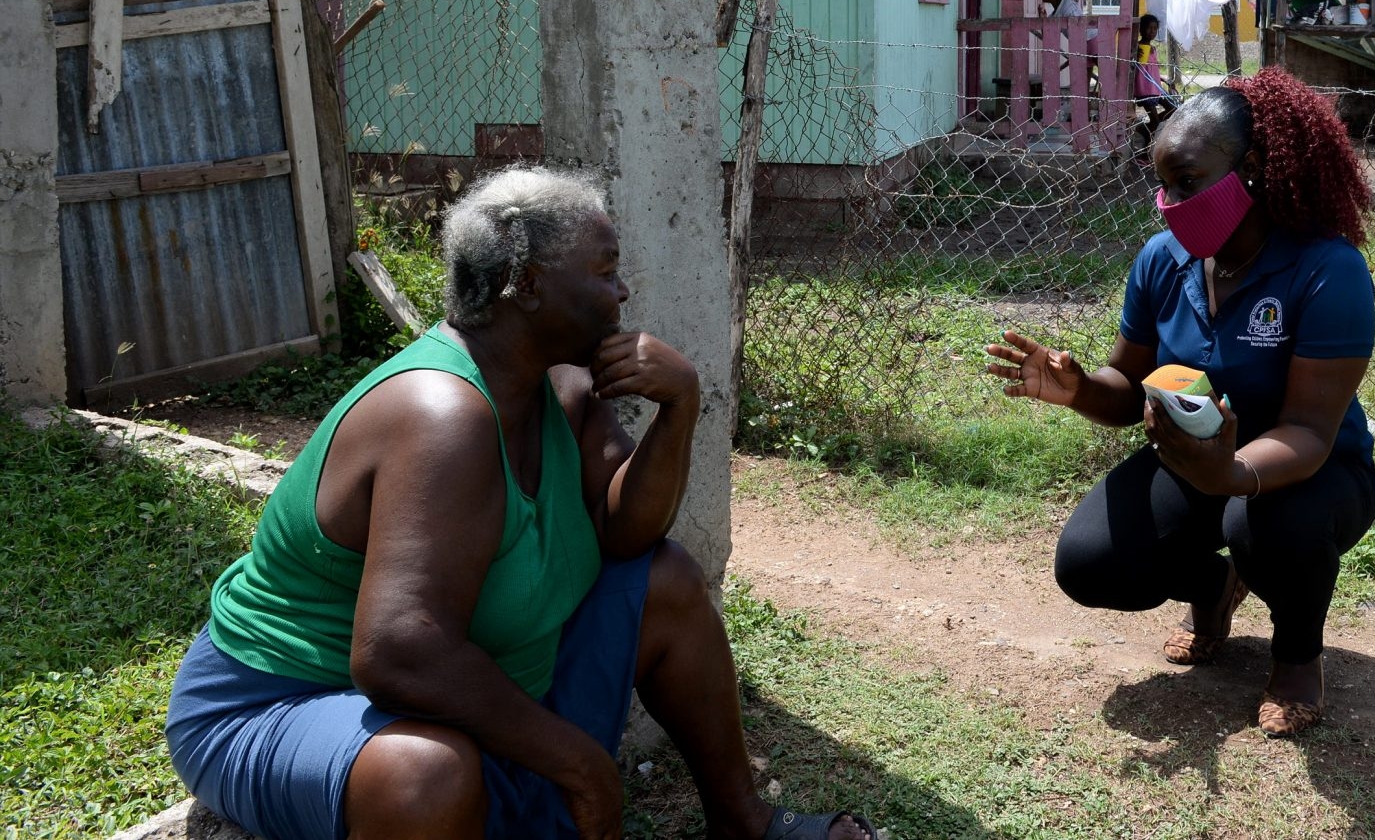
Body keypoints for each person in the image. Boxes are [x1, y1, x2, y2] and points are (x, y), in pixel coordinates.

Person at [167, 167, 877, 840]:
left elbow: (628, 535)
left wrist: (679, 407)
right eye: (603, 270)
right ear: (529, 283)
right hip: (279, 700)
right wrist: (578, 759)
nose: (622, 290)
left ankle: (742, 823)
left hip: (458, 691)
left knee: (666, 584)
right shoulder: (441, 415)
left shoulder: (557, 386)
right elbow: (396, 651)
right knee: (428, 776)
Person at [986, 70, 1375, 736]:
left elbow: (1310, 429)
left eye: (1187, 180)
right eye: (1161, 182)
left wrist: (1232, 476)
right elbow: (1123, 386)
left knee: (1258, 525)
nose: (1167, 201)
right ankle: (1214, 589)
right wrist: (1079, 388)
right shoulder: (1161, 261)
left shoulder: (1326, 270)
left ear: (1250, 168)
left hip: (1310, 473)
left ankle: (1296, 654)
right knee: (1090, 562)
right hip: (1195, 463)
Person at [1132, 13, 1174, 144]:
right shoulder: (1136, 48)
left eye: (1155, 28)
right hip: (1144, 90)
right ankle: (1145, 149)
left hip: (1156, 88)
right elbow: (1134, 66)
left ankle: (1145, 128)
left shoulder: (1153, 49)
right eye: (1149, 28)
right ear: (1141, 29)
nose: (1152, 31)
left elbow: (1152, 70)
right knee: (1155, 121)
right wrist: (1134, 55)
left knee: (1173, 109)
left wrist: (1163, 79)